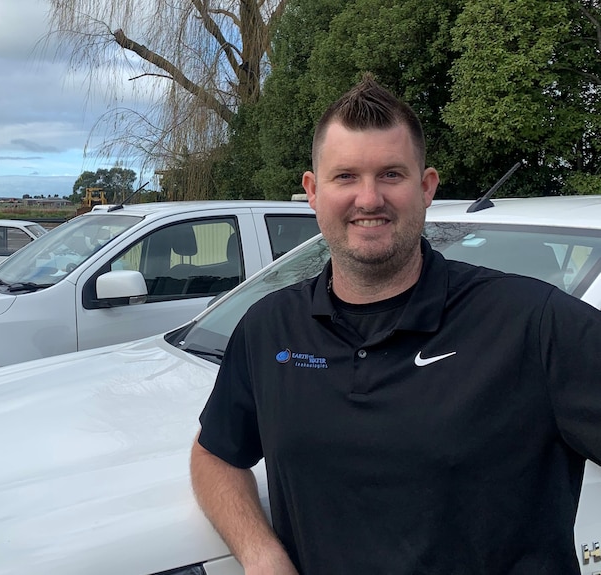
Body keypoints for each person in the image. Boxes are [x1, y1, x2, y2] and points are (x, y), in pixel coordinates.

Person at [190, 73, 601, 574]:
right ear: (313, 191)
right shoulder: (269, 328)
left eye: (391, 174)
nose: (368, 199)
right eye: (346, 177)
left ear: (426, 187)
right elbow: (214, 455)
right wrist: (261, 556)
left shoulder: (533, 324)